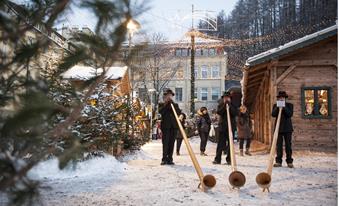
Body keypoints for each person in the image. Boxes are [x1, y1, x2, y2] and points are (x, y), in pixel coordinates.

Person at [213, 91, 237, 165]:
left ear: (230, 98)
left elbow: (235, 113)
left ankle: (229, 159)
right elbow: (219, 112)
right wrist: (224, 105)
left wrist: (229, 105)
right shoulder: (220, 105)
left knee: (230, 144)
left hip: (231, 127)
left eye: (227, 98)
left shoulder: (233, 105)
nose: (226, 99)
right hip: (222, 127)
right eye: (225, 98)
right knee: (220, 143)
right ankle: (217, 159)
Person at [158, 89, 181, 165]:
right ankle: (164, 159)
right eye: (168, 95)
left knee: (171, 143)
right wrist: (167, 104)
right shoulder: (161, 104)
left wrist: (172, 104)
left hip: (174, 127)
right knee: (165, 143)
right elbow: (161, 112)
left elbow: (178, 112)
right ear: (165, 96)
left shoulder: (175, 105)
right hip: (166, 127)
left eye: (170, 95)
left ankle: (170, 159)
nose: (169, 97)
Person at [272, 91, 294, 168]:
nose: (281, 99)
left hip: (287, 128)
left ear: (285, 98)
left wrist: (284, 107)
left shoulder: (289, 105)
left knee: (288, 145)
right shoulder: (275, 105)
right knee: (279, 146)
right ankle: (278, 161)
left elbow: (290, 114)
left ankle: (289, 161)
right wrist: (278, 107)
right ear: (278, 98)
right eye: (280, 97)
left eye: (283, 97)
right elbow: (273, 114)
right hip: (278, 129)